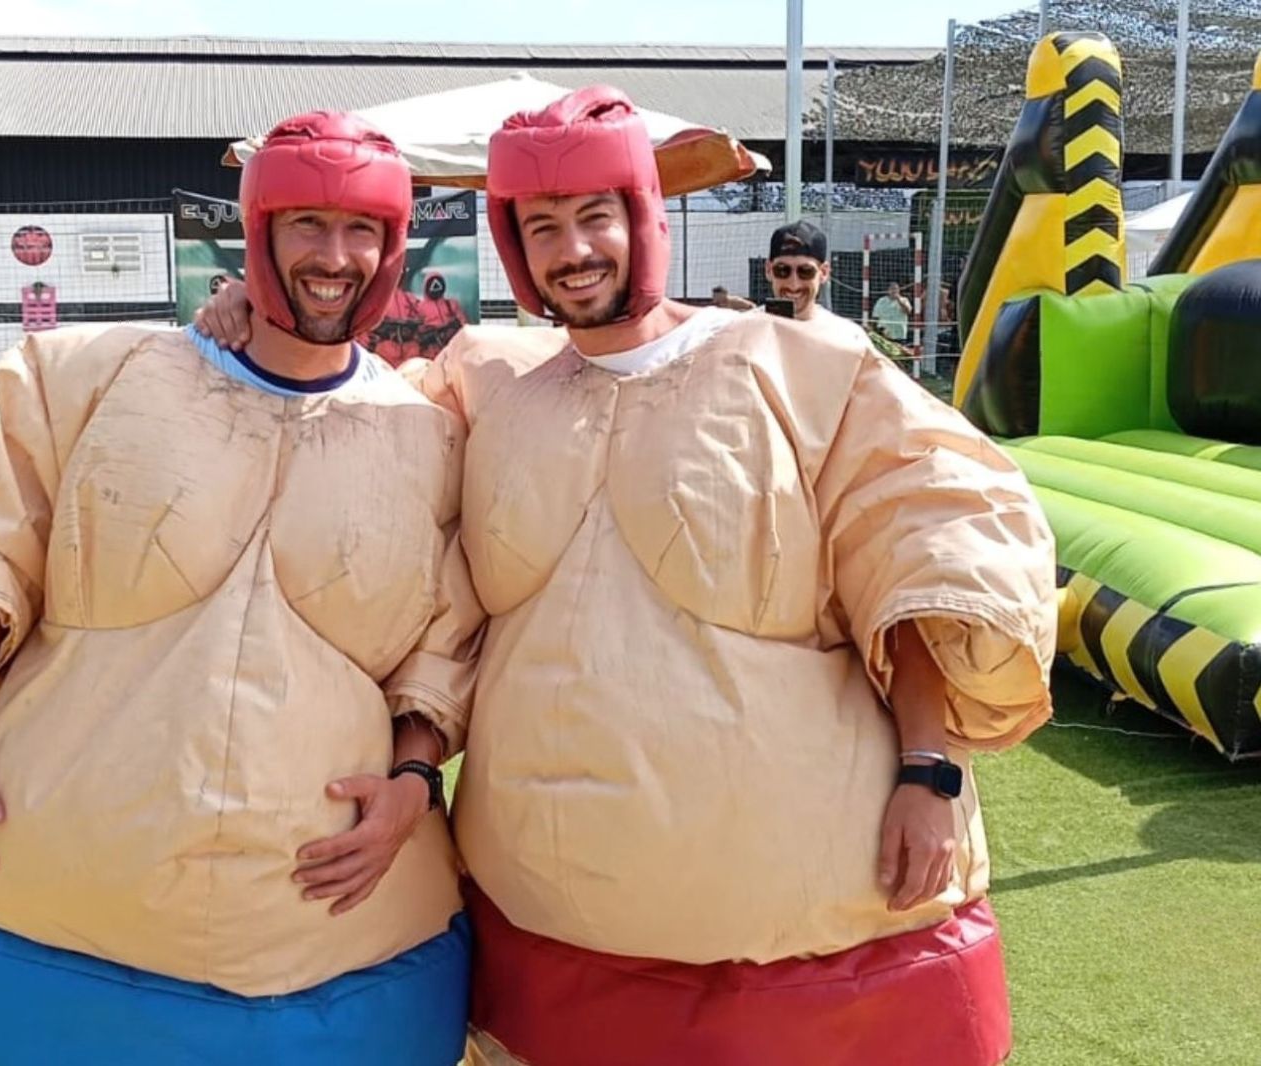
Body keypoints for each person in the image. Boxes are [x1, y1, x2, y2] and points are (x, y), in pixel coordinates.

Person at [197, 86, 1057, 1066]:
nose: (573, 251)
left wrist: (929, 771)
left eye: (593, 218)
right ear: (513, 246)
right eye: (543, 227)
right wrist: (257, 311)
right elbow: (359, 439)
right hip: (555, 934)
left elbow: (926, 541)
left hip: (805, 931)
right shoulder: (489, 389)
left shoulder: (799, 365)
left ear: (642, 217)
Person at [0, 111, 479, 1066]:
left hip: (315, 930)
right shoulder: (95, 375)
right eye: (306, 223)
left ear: (393, 249)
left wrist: (413, 782)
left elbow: (447, 638)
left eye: (362, 230)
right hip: (48, 889)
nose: (334, 256)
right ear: (258, 231)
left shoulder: (423, 435)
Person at [764, 219, 838, 323]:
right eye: (782, 270)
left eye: (806, 272)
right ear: (768, 270)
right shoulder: (745, 328)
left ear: (824, 273)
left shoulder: (842, 332)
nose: (794, 285)